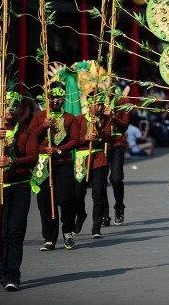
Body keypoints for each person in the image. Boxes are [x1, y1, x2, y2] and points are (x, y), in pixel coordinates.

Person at [0, 91, 38, 292]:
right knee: (0, 234)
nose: (9, 108)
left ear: (21, 109)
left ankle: (13, 276)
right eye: (5, 104)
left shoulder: (26, 132)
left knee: (14, 232)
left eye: (14, 105)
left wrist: (12, 161)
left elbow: (33, 158)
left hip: (18, 188)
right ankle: (3, 273)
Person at [29, 82, 78, 251]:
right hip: (43, 165)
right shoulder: (39, 117)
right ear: (47, 98)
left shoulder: (70, 118)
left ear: (63, 99)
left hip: (63, 163)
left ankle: (68, 231)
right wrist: (43, 127)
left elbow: (74, 140)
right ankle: (49, 238)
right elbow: (29, 138)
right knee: (45, 202)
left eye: (59, 97)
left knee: (66, 200)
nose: (56, 100)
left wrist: (58, 150)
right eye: (52, 97)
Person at [73, 91, 112, 239]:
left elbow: (108, 138)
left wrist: (99, 129)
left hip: (98, 159)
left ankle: (96, 227)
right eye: (97, 104)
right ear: (89, 104)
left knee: (98, 194)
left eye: (102, 104)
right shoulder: (79, 120)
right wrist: (85, 138)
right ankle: (81, 214)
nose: (100, 107)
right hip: (81, 161)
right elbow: (73, 140)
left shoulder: (106, 120)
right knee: (78, 195)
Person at [102, 91, 131, 227]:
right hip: (100, 145)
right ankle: (103, 213)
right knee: (99, 181)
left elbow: (124, 126)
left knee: (116, 178)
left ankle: (119, 207)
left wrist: (113, 117)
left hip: (116, 144)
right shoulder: (95, 100)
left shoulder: (122, 102)